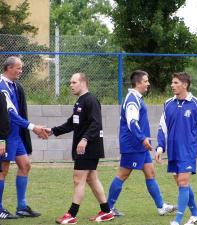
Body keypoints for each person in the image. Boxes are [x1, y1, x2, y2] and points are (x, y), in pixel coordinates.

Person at [43, 73, 114, 224]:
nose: (71, 85)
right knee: (91, 178)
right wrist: (53, 130)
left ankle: (71, 215)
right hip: (85, 146)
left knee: (78, 178)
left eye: (74, 82)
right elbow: (71, 123)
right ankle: (107, 211)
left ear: (83, 83)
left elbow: (96, 124)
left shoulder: (91, 100)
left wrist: (84, 139)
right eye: (71, 82)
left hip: (89, 147)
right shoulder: (80, 101)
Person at [107, 70, 176, 217]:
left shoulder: (136, 98)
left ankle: (161, 206)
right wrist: (142, 138)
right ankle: (107, 208)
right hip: (133, 145)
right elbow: (132, 123)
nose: (148, 83)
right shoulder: (132, 99)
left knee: (150, 173)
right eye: (145, 81)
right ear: (138, 83)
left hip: (139, 145)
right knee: (122, 175)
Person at [155, 72, 197, 225]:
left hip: (188, 150)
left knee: (183, 181)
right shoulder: (168, 104)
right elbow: (162, 128)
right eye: (172, 83)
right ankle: (195, 214)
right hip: (173, 150)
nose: (172, 85)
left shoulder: (196, 104)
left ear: (185, 84)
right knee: (182, 184)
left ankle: (177, 220)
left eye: (175, 83)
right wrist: (160, 147)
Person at [0, 56, 46, 219]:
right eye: (18, 68)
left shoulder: (14, 86)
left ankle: (21, 207)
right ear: (8, 68)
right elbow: (10, 114)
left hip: (16, 136)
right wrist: (33, 127)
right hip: (4, 136)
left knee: (25, 165)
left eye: (21, 68)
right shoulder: (2, 86)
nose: (21, 71)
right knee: (2, 170)